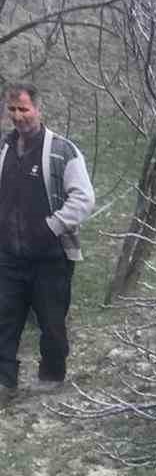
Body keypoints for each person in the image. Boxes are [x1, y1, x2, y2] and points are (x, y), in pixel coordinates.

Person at [0, 83, 95, 405]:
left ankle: (52, 377)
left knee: (52, 322)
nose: (17, 116)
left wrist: (51, 226)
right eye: (12, 109)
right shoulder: (3, 149)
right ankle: (5, 382)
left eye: (23, 109)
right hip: (9, 256)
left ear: (38, 110)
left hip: (50, 256)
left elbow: (84, 198)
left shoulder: (62, 151)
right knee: (4, 317)